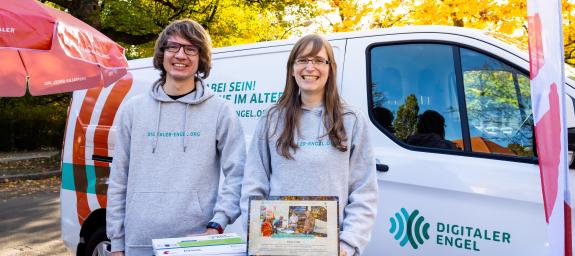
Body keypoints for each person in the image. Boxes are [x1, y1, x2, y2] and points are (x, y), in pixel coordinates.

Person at [106, 19, 246, 256]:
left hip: (196, 243)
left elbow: (239, 174)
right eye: (173, 47)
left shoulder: (220, 111)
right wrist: (117, 242)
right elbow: (119, 178)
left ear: (201, 58)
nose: (180, 55)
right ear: (162, 54)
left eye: (191, 49)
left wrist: (217, 224)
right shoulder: (133, 109)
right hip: (138, 241)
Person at [240, 34, 378, 256]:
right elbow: (254, 183)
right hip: (276, 245)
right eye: (302, 60)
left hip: (331, 249)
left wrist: (349, 244)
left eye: (318, 60)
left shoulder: (351, 120)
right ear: (292, 68)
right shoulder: (272, 118)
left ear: (330, 68)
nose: (309, 67)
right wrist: (257, 236)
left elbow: (364, 191)